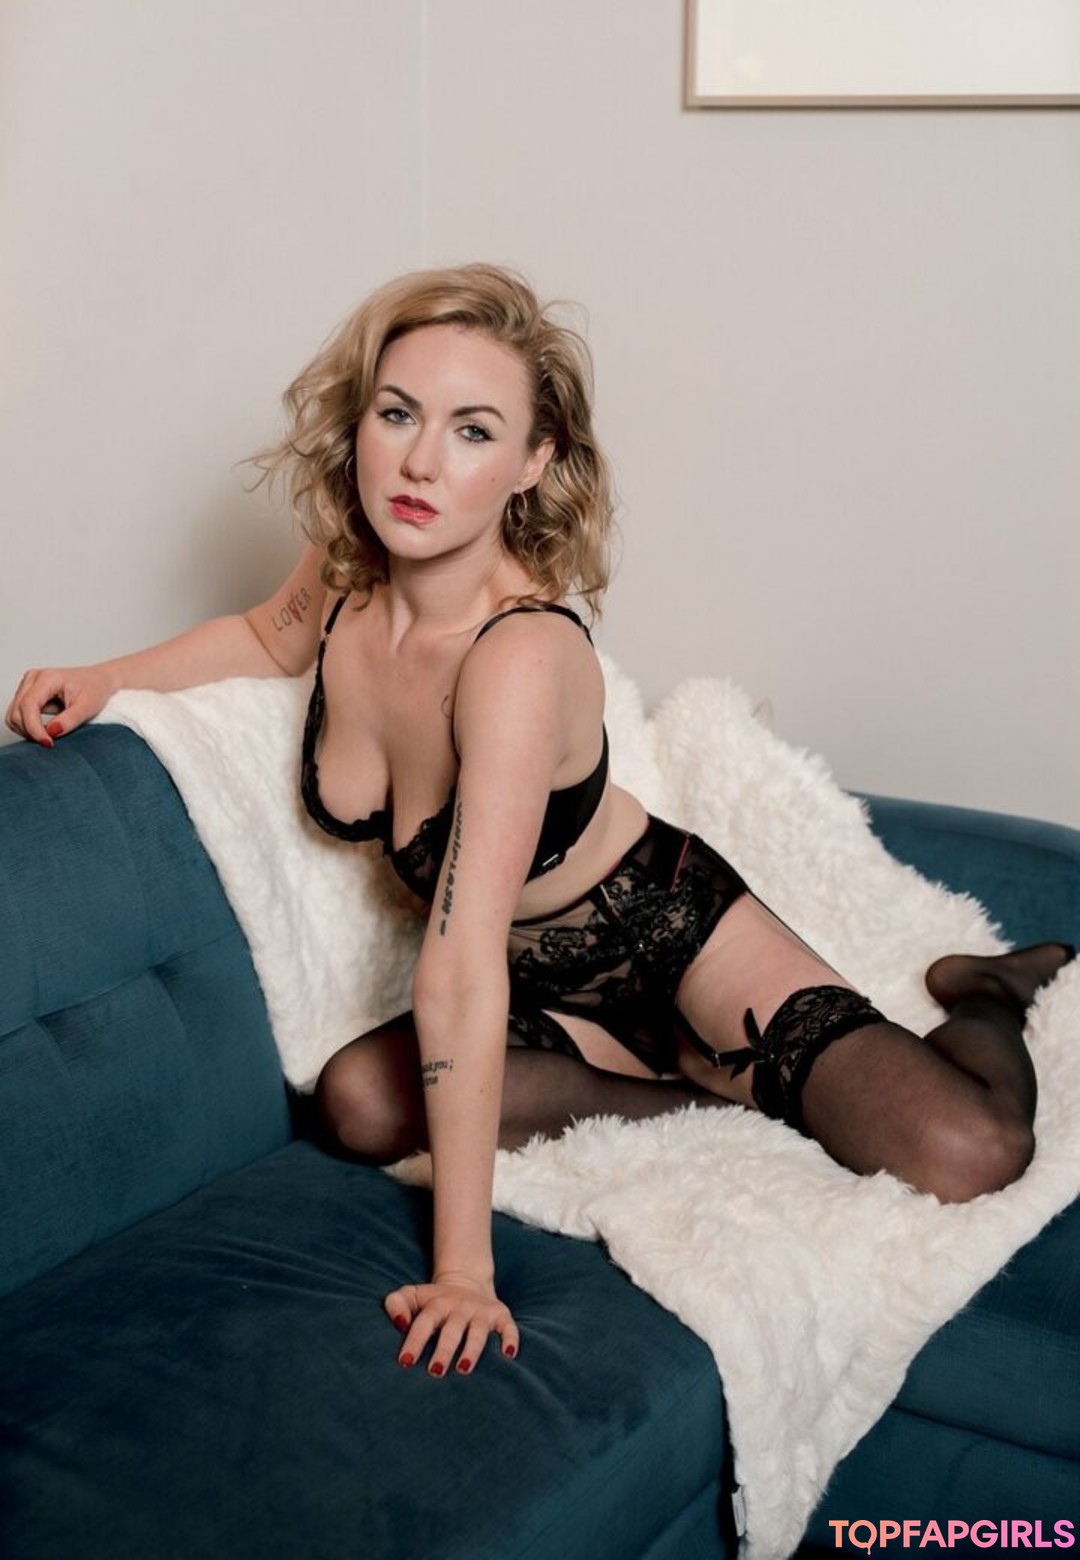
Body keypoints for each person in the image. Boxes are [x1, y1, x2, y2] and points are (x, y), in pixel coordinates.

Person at [6, 263, 1072, 1383]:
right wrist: (105, 678)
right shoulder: (349, 572)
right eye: (398, 414)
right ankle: (688, 1090)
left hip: (662, 932)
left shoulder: (518, 657)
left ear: (532, 461)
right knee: (359, 1103)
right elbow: (268, 638)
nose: (420, 463)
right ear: (359, 421)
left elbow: (460, 961)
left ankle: (985, 994)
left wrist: (463, 1271)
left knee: (971, 1151)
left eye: (473, 431)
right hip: (535, 981)